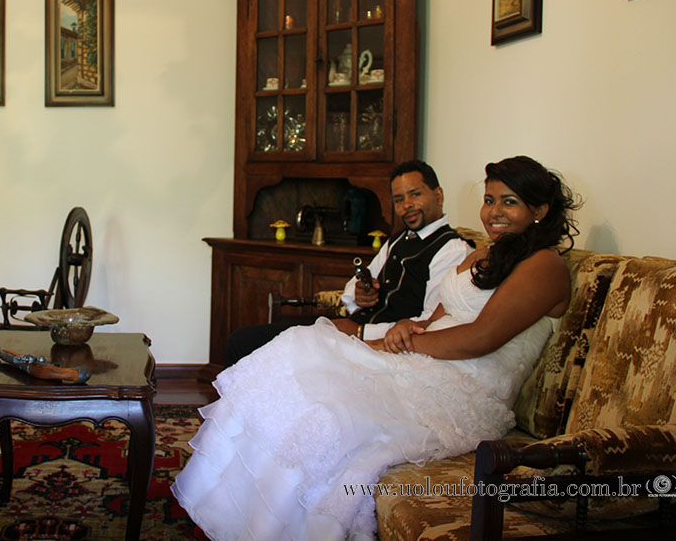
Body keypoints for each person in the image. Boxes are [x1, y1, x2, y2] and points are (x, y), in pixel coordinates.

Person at [173, 156, 578, 540]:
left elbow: (481, 338)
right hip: (429, 357)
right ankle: (239, 513)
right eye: (489, 200)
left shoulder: (544, 266)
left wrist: (390, 344)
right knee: (298, 355)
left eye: (509, 202)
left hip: (467, 384)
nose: (494, 212)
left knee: (325, 402)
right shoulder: (486, 253)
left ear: (539, 210)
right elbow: (438, 314)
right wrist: (408, 328)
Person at [224, 160, 473, 366]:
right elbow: (354, 286)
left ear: (438, 195)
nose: (407, 205)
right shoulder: (396, 241)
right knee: (244, 340)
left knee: (247, 344)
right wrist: (360, 293)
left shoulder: (452, 250)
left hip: (378, 347)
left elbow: (429, 321)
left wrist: (361, 332)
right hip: (347, 331)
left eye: (415, 195)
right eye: (399, 199)